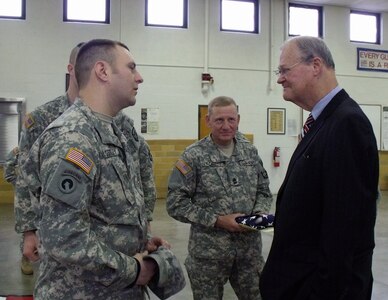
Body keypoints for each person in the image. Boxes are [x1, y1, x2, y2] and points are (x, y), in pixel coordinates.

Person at [20, 39, 169, 299]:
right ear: (102, 71)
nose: (139, 77)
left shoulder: (113, 130)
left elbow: (105, 211)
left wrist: (140, 240)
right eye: (131, 68)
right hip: (82, 291)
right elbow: (64, 238)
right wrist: (134, 269)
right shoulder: (73, 136)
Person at [259, 36, 379, 299]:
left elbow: (344, 230)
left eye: (284, 70)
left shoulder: (346, 124)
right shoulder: (324, 121)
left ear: (316, 65)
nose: (279, 78)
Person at [166, 96, 273, 300]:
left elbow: (263, 190)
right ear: (208, 121)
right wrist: (217, 220)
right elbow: (175, 203)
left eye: (231, 120)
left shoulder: (249, 151)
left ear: (238, 119)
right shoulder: (193, 156)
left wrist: (258, 215)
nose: (226, 126)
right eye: (219, 120)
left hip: (248, 253)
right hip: (209, 255)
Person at [3, 147, 33, 275]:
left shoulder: (46, 146)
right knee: (26, 226)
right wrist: (18, 183)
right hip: (25, 194)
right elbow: (8, 166)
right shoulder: (19, 150)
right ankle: (25, 258)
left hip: (43, 193)